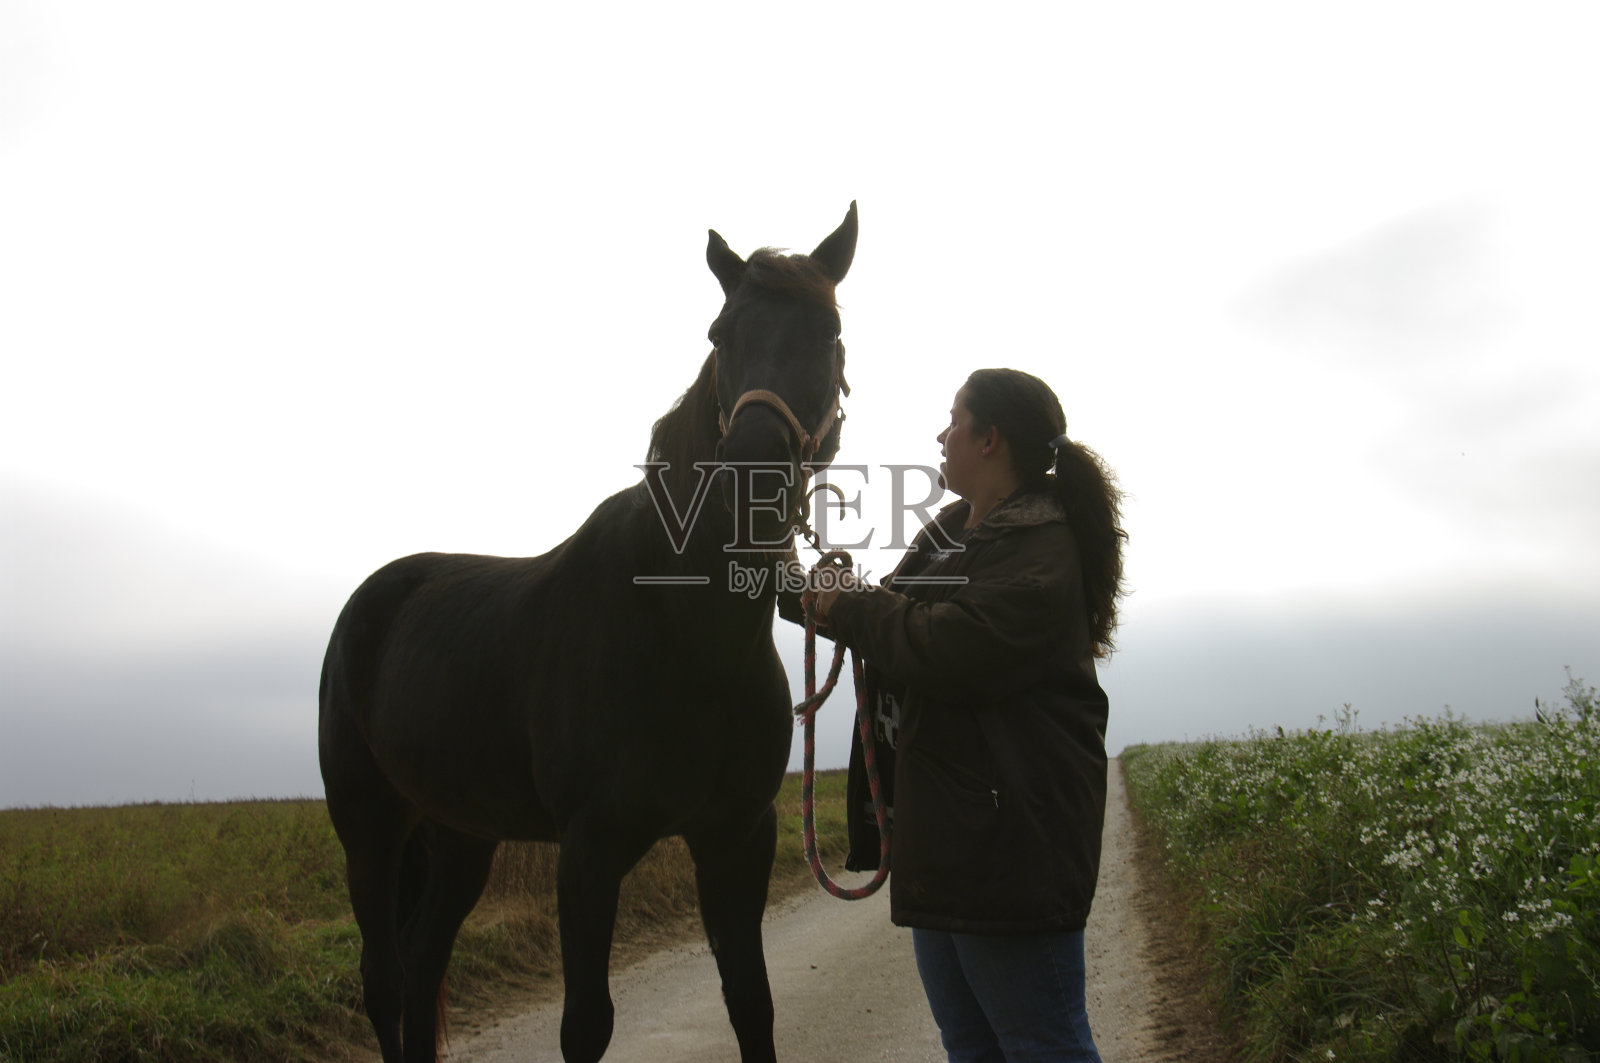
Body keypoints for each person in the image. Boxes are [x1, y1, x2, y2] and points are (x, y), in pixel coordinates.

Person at [803, 367, 1126, 1063]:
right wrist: (802, 586)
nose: (941, 435)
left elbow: (943, 644)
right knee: (972, 1045)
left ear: (990, 440)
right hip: (951, 837)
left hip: (1009, 844)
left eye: (954, 420)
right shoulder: (953, 532)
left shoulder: (1042, 552)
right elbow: (894, 614)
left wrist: (852, 605)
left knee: (1043, 1042)